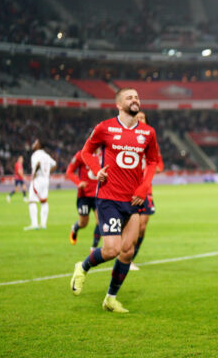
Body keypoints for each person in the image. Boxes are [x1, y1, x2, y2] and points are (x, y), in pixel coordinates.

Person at [69, 88, 159, 313]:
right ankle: (83, 266)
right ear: (119, 104)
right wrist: (96, 170)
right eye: (130, 97)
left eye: (137, 97)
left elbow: (152, 161)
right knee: (111, 249)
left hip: (134, 200)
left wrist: (144, 186)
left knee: (128, 251)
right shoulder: (104, 128)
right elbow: (86, 152)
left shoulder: (148, 132)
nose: (135, 100)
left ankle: (110, 298)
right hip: (108, 197)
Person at [129, 111, 164, 271]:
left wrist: (153, 169)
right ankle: (125, 255)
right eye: (138, 117)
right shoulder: (128, 137)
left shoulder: (151, 140)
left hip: (146, 190)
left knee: (142, 227)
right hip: (130, 189)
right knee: (131, 226)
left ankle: (131, 258)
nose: (140, 119)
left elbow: (160, 164)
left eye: (143, 118)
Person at [66, 149, 101, 248]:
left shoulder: (103, 154)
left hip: (98, 195)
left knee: (100, 221)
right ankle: (75, 228)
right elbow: (69, 171)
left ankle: (94, 247)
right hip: (84, 195)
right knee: (83, 223)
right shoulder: (80, 155)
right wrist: (78, 183)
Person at [25, 138, 56, 230]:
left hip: (38, 179)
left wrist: (34, 174)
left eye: (35, 142)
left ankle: (34, 224)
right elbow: (54, 164)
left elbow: (38, 164)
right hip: (45, 180)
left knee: (32, 200)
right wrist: (47, 173)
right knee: (44, 201)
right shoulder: (46, 155)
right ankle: (43, 224)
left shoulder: (35, 154)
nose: (33, 144)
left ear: (39, 145)